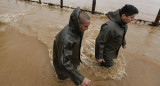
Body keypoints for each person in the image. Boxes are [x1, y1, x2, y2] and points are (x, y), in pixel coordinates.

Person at [53, 7, 91, 86]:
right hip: (62, 65)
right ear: (78, 24)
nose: (87, 29)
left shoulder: (78, 29)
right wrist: (81, 78)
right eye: (85, 26)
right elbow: (63, 63)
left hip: (70, 58)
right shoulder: (67, 39)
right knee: (64, 80)